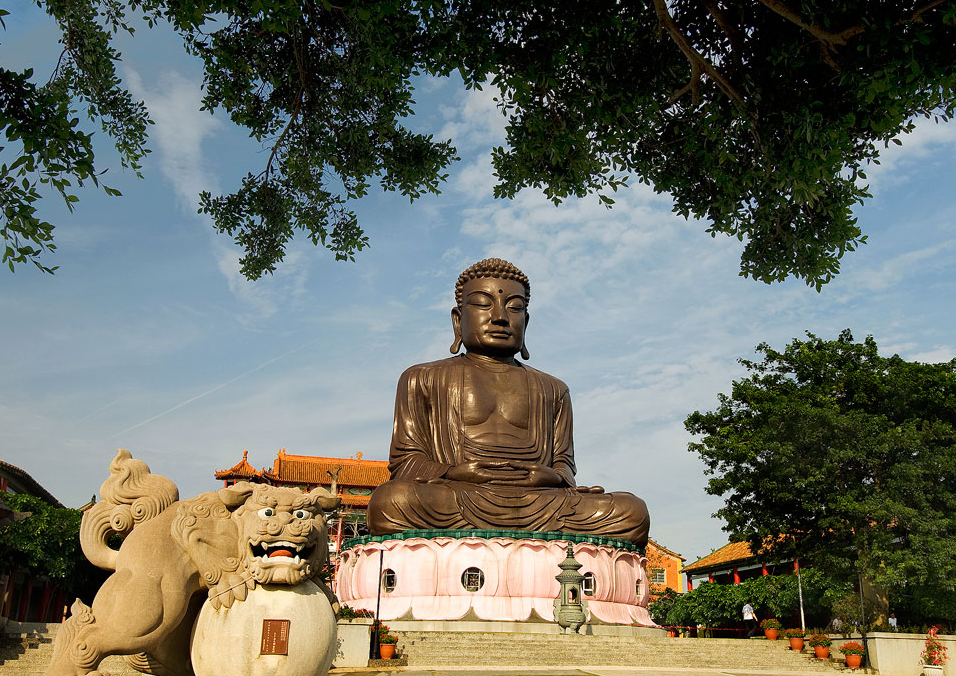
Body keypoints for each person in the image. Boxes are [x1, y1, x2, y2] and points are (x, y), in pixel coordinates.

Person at [367, 258, 650, 545]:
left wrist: (550, 477)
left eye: (514, 307)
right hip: (458, 496)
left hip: (541, 503)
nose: (500, 317)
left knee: (632, 511)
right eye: (482, 304)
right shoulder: (422, 378)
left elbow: (564, 465)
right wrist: (453, 472)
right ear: (457, 319)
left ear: (525, 321)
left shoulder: (553, 389)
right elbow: (406, 462)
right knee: (391, 501)